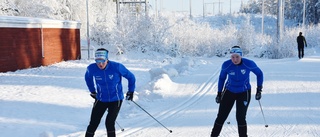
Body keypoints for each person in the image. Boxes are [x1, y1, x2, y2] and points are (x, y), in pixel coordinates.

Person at [210, 46, 264, 137]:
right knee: (221, 117)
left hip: (244, 92)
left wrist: (259, 90)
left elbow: (259, 74)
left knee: (240, 117)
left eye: (237, 57)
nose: (235, 59)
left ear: (241, 56)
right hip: (229, 91)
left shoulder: (248, 64)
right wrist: (219, 93)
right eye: (233, 57)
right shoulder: (226, 65)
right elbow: (222, 78)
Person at [84, 48, 136, 137]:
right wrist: (92, 91)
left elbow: (131, 77)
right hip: (101, 99)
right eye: (97, 61)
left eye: (102, 61)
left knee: (109, 123)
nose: (100, 64)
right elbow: (88, 78)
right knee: (93, 123)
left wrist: (130, 91)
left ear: (107, 59)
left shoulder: (117, 67)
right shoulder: (92, 68)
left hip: (116, 99)